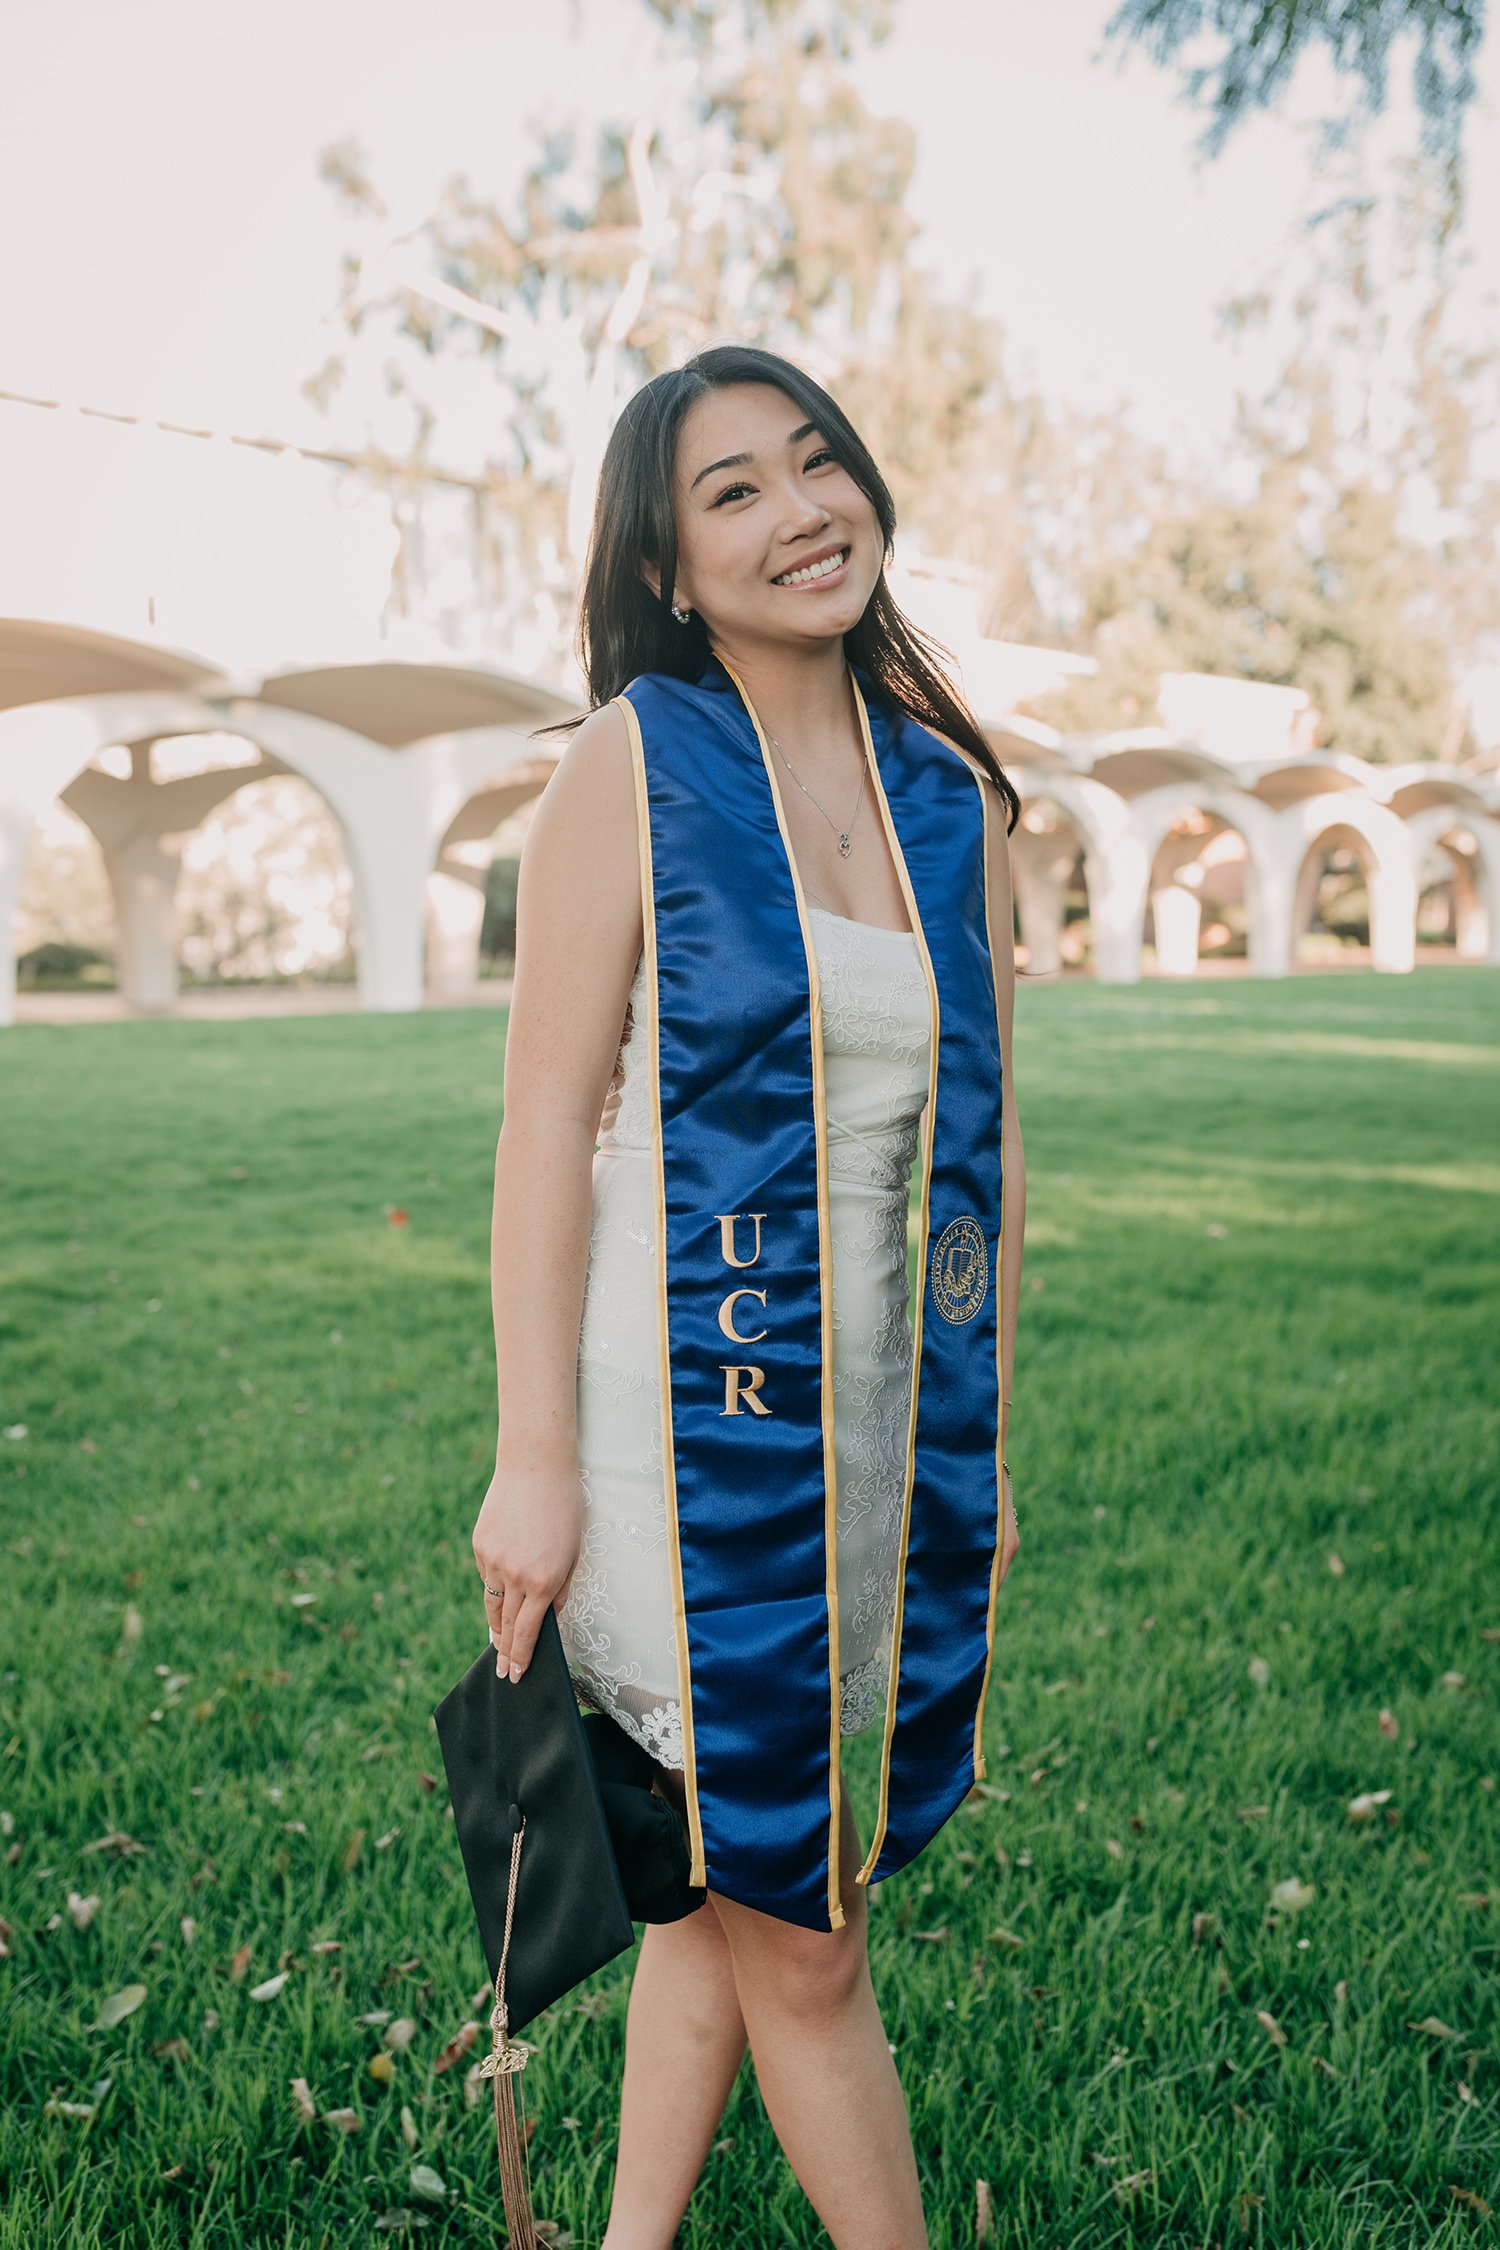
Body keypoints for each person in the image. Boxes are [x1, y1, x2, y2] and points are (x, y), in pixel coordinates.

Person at [473, 342, 1025, 2250]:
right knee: (805, 1942)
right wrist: (531, 1458)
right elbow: (549, 1121)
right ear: (666, 564)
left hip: (868, 1436)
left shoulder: (953, 800)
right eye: (734, 491)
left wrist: (984, 1450)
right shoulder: (633, 764)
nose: (801, 512)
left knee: (727, 1891)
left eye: (818, 464)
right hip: (676, 1430)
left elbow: (989, 1167)